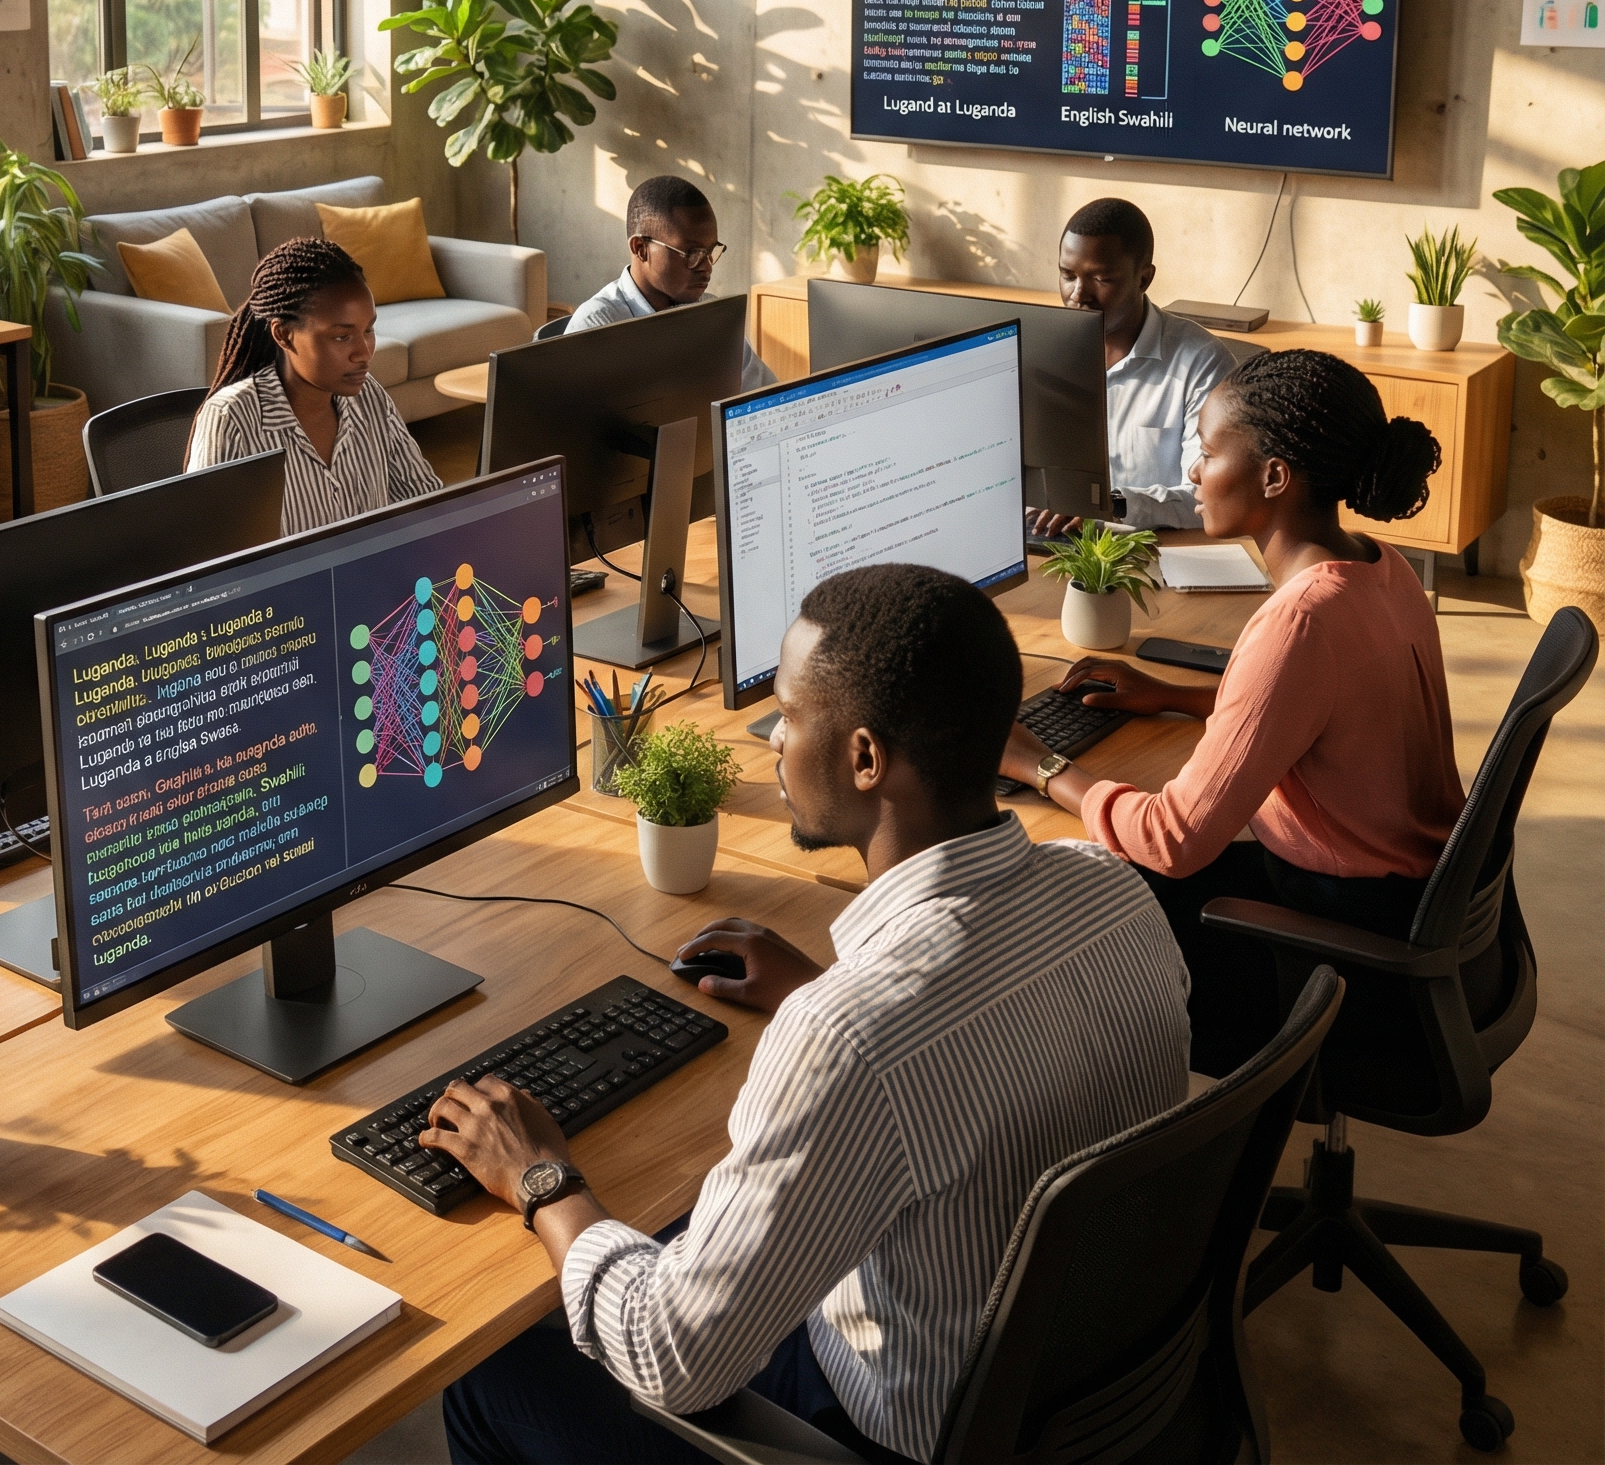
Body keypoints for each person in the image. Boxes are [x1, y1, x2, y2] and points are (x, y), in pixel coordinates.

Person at [434, 565, 1190, 1465]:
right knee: (672, 1233)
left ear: (866, 759)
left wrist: (542, 1180)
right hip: (1087, 1402)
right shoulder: (1113, 891)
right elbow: (978, 1048)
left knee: (491, 1365)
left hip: (898, 1435)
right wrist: (827, 993)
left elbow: (672, 1361)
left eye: (788, 717)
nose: (774, 743)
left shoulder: (849, 1037)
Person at [1001, 348, 1460, 1075]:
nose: (1193, 472)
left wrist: (1039, 763)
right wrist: (1177, 696)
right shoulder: (1382, 566)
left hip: (1336, 948)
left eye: (1209, 452)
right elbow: (1327, 705)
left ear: (1274, 476)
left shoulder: (1300, 621)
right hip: (1407, 901)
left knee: (1070, 895)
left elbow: (1173, 839)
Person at [186, 237, 442, 536]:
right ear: (284, 335)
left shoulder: (369, 397)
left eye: (368, 330)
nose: (364, 353)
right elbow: (212, 553)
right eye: (341, 337)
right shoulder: (232, 419)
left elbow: (426, 502)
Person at [1027, 196, 1236, 538]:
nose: (1079, 294)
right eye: (1067, 275)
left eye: (1101, 279)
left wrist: (1110, 504)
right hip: (1047, 540)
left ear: (1143, 278)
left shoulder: (1201, 362)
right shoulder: (1036, 352)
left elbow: (1209, 499)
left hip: (1155, 548)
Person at [566, 175, 775, 392]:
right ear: (640, 249)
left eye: (710, 251)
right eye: (691, 253)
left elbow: (764, 396)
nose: (706, 266)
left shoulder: (712, 316)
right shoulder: (597, 328)